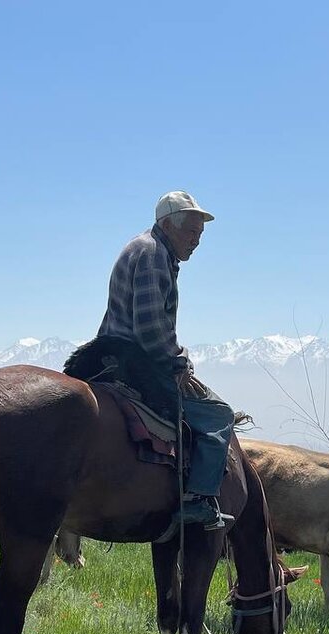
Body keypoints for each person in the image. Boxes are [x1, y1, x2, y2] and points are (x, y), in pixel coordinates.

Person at [98, 190, 235, 533]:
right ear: (167, 225)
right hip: (136, 364)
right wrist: (178, 362)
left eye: (199, 235)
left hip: (114, 355)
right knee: (218, 414)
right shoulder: (153, 254)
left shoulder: (145, 248)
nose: (196, 241)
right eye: (191, 232)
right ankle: (198, 500)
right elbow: (151, 328)